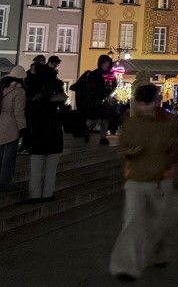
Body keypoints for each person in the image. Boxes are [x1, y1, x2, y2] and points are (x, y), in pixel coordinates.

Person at [109, 84, 178, 281]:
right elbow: (123, 145)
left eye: (147, 103)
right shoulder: (132, 122)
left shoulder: (169, 122)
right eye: (141, 103)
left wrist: (168, 164)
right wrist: (128, 152)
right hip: (135, 178)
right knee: (132, 222)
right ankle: (126, 266)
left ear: (156, 101)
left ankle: (159, 253)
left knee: (158, 222)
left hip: (161, 179)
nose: (143, 107)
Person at [24, 59, 66, 203]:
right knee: (50, 168)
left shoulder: (33, 93)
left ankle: (34, 194)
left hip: (37, 133)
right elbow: (63, 100)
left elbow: (28, 110)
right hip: (53, 132)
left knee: (36, 166)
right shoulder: (56, 91)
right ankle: (48, 193)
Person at [70, 54, 116, 143]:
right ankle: (87, 130)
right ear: (101, 63)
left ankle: (103, 137)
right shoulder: (94, 74)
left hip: (104, 101)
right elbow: (90, 88)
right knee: (94, 119)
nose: (107, 65)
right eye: (105, 63)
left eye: (108, 63)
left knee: (105, 118)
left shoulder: (110, 75)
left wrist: (110, 90)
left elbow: (113, 86)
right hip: (94, 101)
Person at [0, 65, 27, 192]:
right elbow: (18, 112)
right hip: (11, 127)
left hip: (1, 123)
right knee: (9, 158)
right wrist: (23, 128)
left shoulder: (2, 88)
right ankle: (5, 182)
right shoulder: (19, 92)